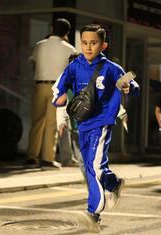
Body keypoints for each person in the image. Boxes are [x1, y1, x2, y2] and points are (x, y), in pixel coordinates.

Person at [52, 24, 140, 232]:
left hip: (102, 123)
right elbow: (59, 87)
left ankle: (93, 212)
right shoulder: (74, 66)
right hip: (82, 124)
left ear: (104, 45)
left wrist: (129, 87)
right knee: (91, 165)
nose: (88, 47)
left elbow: (133, 87)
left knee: (94, 166)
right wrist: (59, 98)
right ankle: (113, 184)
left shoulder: (111, 68)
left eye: (93, 43)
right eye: (84, 43)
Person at [25, 18, 77, 169]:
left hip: (40, 85)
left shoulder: (39, 45)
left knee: (37, 122)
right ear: (67, 32)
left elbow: (33, 63)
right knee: (52, 123)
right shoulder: (70, 49)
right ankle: (47, 159)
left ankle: (31, 157)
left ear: (52, 28)